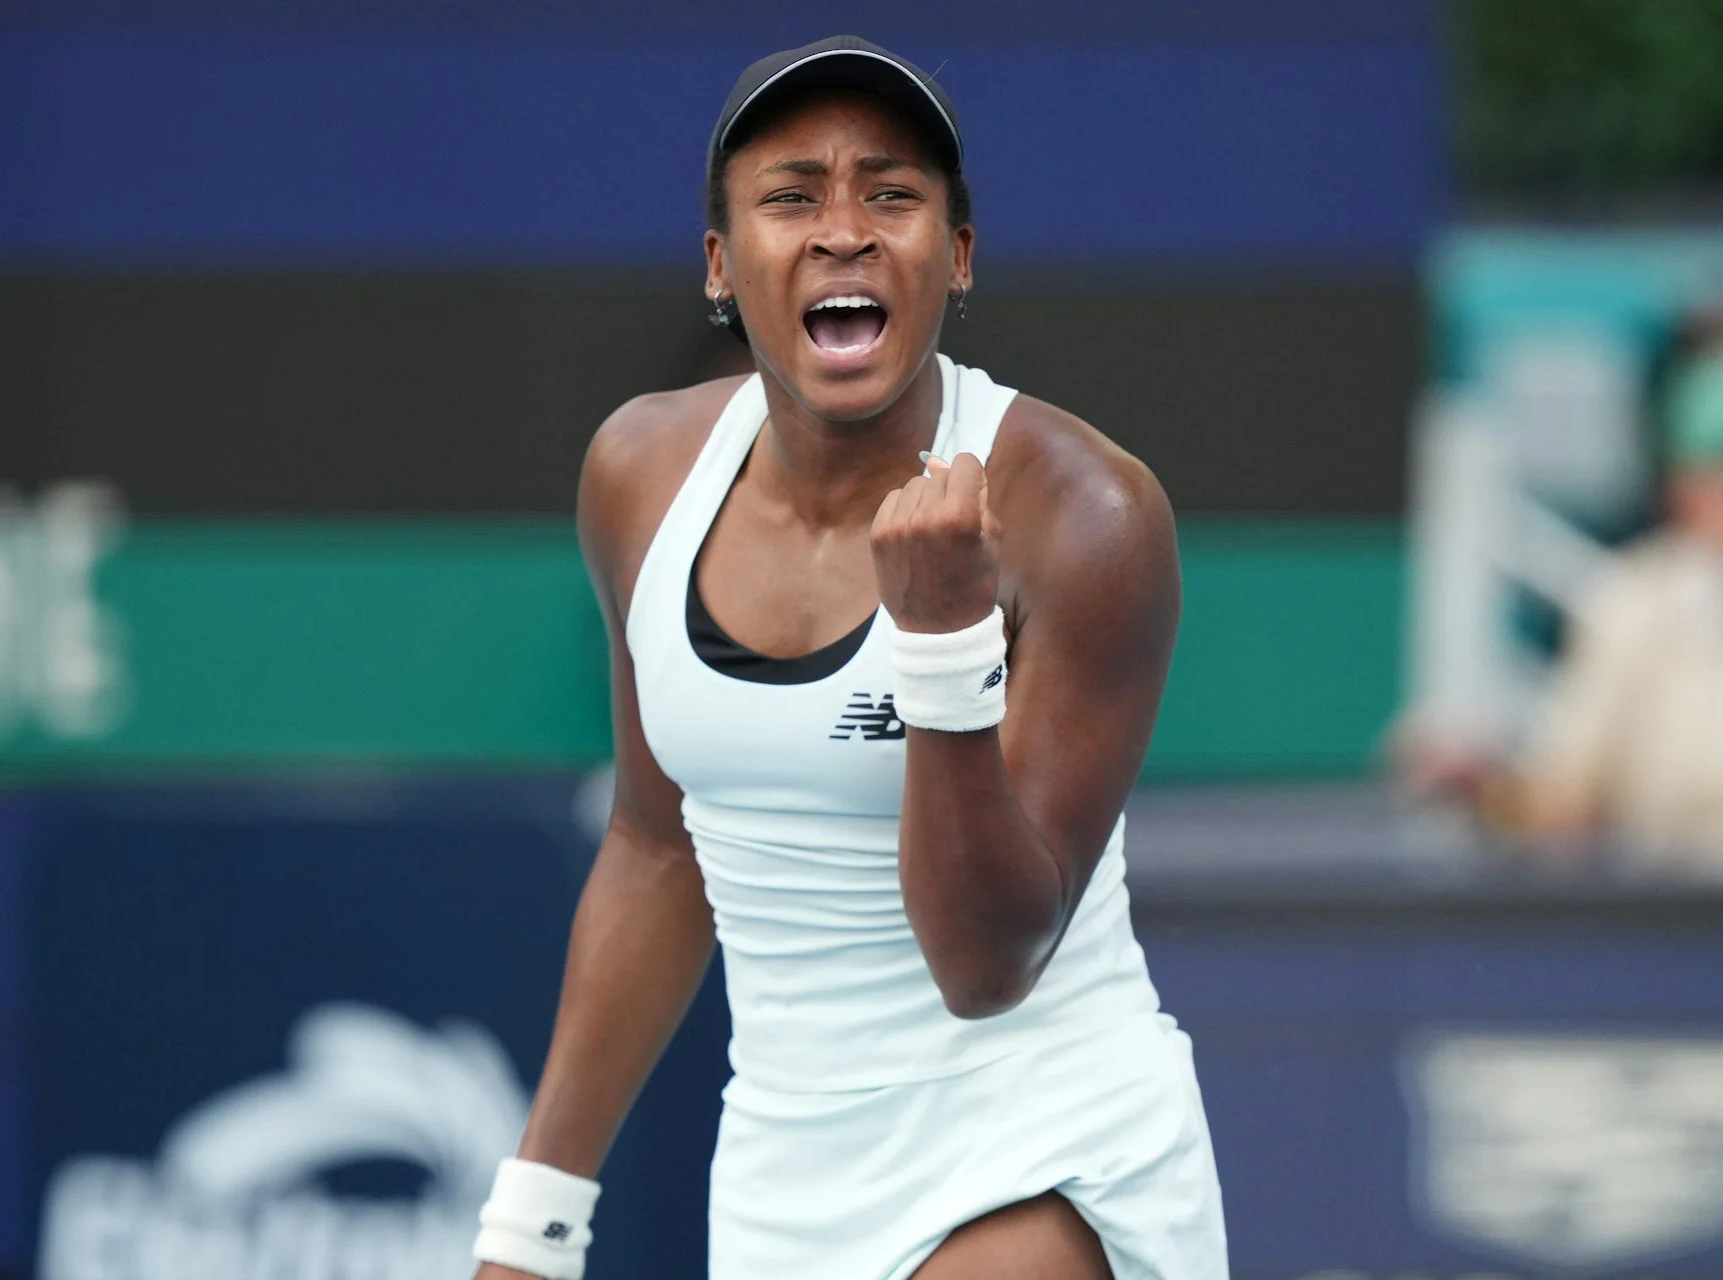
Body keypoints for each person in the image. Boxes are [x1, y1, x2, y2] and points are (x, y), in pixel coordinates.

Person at [471, 36, 1226, 1280]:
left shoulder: (1088, 514)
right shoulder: (638, 472)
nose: (843, 231)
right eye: (790, 196)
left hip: (1040, 1156)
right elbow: (659, 848)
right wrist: (531, 1228)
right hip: (780, 1183)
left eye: (892, 193)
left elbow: (987, 964)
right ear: (721, 265)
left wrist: (940, 643)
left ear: (958, 256)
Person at [1513, 338, 1723, 876]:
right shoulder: (1630, 608)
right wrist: (1490, 796)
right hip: (1663, 935)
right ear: (1688, 492)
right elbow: (1565, 798)